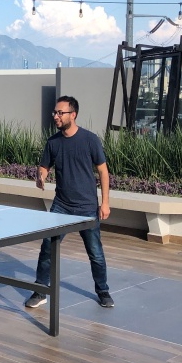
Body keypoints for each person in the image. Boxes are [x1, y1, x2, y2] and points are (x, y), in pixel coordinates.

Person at [25, 96, 114, 309]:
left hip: (87, 207)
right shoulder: (53, 142)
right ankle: (40, 291)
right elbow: (44, 166)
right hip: (61, 206)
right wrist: (41, 176)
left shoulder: (90, 140)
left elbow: (103, 172)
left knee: (96, 253)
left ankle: (103, 291)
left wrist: (105, 203)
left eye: (60, 113)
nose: (55, 116)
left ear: (72, 115)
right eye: (55, 112)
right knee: (47, 247)